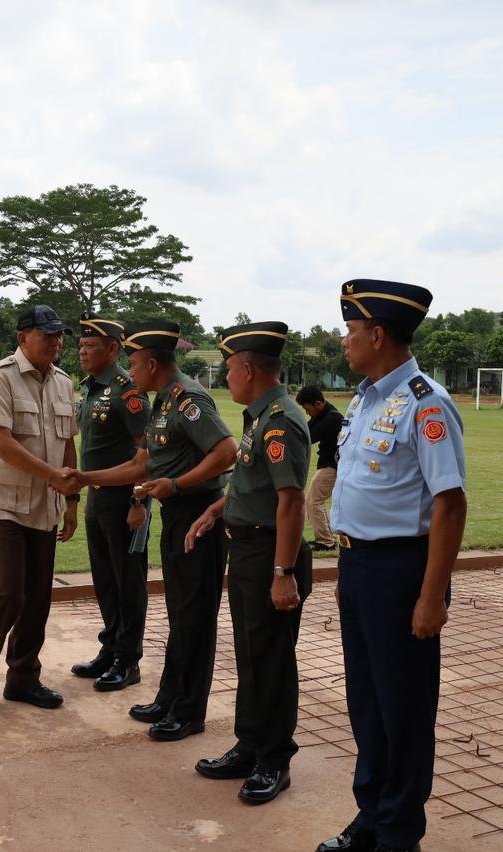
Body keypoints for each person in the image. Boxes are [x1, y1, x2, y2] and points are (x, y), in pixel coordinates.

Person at [316, 280, 467, 852]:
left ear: (378, 335)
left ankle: (399, 834)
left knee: (402, 708)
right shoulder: (364, 399)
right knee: (367, 703)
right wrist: (346, 571)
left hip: (402, 571)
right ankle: (371, 816)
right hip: (360, 568)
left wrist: (432, 595)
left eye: (351, 331)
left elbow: (450, 504)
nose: (344, 341)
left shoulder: (427, 403)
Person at [74, 320, 237, 742]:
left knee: (194, 618)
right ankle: (169, 698)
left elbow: (226, 451)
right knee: (179, 614)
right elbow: (140, 465)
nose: (130, 371)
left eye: (133, 362)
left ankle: (188, 712)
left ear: (150, 363)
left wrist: (178, 484)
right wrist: (86, 477)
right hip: (177, 515)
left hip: (198, 515)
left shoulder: (188, 399)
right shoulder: (164, 402)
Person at [186, 321, 311, 805]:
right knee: (251, 655)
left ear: (249, 370)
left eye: (229, 369)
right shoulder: (259, 417)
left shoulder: (280, 421)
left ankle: (274, 759)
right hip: (248, 550)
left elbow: (291, 501)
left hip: (270, 556)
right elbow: (252, 483)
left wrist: (283, 573)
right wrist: (218, 509)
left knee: (271, 660)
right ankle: (250, 744)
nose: (227, 377)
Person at [0, 305, 79, 712]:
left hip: (45, 504)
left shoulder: (63, 382)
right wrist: (53, 476)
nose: (56, 342)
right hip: (4, 502)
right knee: (8, 590)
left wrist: (71, 500)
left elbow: (67, 443)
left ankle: (23, 677)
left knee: (38, 596)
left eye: (59, 335)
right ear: (22, 338)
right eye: (47, 334)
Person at [70, 312, 151, 691]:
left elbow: (146, 455)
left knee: (128, 581)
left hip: (124, 501)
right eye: (81, 345)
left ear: (114, 349)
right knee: (104, 579)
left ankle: (128, 660)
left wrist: (138, 501)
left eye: (91, 345)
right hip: (97, 499)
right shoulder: (89, 388)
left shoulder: (128, 393)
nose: (82, 351)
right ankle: (111, 648)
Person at [296, 386, 343, 551]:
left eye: (307, 409)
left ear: (317, 404)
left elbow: (308, 437)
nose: (307, 413)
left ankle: (326, 541)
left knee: (313, 501)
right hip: (328, 464)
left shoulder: (332, 418)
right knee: (315, 500)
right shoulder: (322, 414)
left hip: (332, 466)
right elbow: (305, 430)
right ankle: (327, 539)